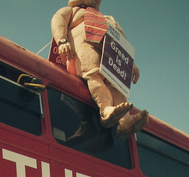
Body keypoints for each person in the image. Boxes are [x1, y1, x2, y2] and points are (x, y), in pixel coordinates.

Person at [50, 0, 149, 137]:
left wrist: (130, 63)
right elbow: (58, 19)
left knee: (115, 84)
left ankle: (125, 120)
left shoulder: (105, 18)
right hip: (84, 48)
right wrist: (62, 40)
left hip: (108, 54)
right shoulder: (72, 11)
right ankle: (105, 109)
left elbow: (120, 43)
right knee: (93, 74)